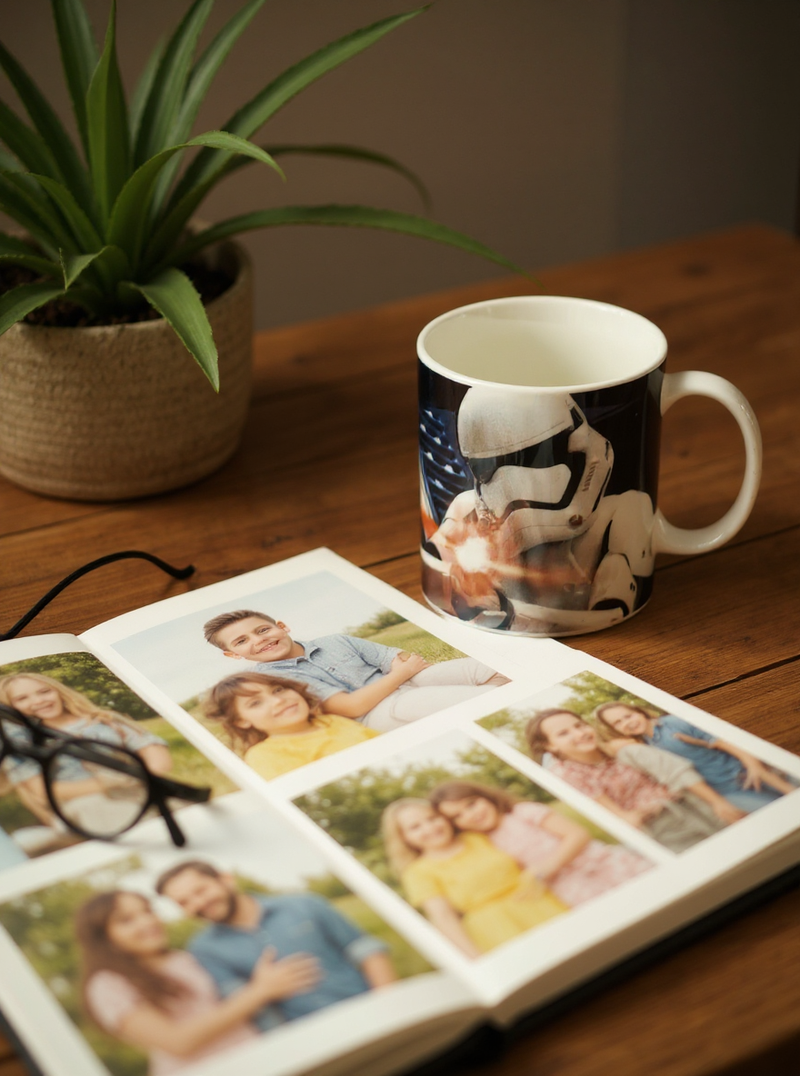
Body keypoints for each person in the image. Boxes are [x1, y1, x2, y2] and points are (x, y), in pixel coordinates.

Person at [75, 890, 319, 1075]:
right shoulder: (108, 984)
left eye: (147, 911)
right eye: (126, 920)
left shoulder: (185, 958)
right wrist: (259, 992)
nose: (147, 922)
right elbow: (178, 1043)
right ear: (103, 937)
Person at [155, 860, 396, 1029]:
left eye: (201, 890)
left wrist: (389, 1007)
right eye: (184, 902)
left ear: (226, 880)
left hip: (370, 1010)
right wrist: (262, 989)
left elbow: (366, 951)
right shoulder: (204, 950)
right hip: (311, 1039)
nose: (198, 903)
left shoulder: (304, 903)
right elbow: (247, 1010)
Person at [202, 609, 509, 732]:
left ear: (281, 626)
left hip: (405, 683)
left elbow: (399, 658)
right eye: (243, 641)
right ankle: (507, 710)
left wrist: (402, 672)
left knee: (487, 668)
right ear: (233, 654)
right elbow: (350, 706)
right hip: (371, 715)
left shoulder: (334, 641)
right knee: (475, 697)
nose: (260, 640)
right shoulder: (271, 679)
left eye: (263, 629)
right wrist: (399, 675)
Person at [525, 709, 739, 853]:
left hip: (691, 803)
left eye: (579, 725)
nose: (579, 733)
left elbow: (672, 771)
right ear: (550, 747)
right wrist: (651, 807)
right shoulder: (567, 774)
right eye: (563, 733)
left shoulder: (616, 749)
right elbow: (626, 819)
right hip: (661, 826)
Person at [381, 798, 568, 958]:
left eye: (432, 818)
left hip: (542, 906)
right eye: (415, 827)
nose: (430, 828)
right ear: (404, 837)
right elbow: (444, 917)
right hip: (497, 930)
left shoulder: (477, 838)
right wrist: (475, 958)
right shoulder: (418, 872)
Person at [0, 672, 172, 842]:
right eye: (22, 699)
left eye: (45, 692)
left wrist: (145, 774)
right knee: (103, 811)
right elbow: (41, 790)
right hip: (84, 801)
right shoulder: (24, 743)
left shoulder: (101, 720)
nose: (39, 701)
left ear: (58, 691)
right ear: (10, 708)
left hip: (138, 786)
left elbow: (152, 749)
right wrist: (109, 783)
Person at [428, 780, 651, 907]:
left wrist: (550, 866)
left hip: (598, 862)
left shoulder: (522, 812)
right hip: (567, 886)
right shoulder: (484, 843)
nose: (471, 814)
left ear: (485, 796)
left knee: (647, 891)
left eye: (471, 804)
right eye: (458, 816)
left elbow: (577, 835)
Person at [594, 701, 794, 812]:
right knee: (777, 815)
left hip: (745, 771)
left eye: (628, 716)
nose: (627, 723)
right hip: (727, 791)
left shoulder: (673, 723)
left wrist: (754, 766)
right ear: (616, 730)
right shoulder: (646, 748)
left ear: (638, 711)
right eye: (618, 723)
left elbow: (723, 742)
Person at [203, 673, 378, 780]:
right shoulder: (264, 756)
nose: (279, 700)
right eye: (255, 703)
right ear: (240, 721)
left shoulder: (332, 721)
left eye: (278, 690)